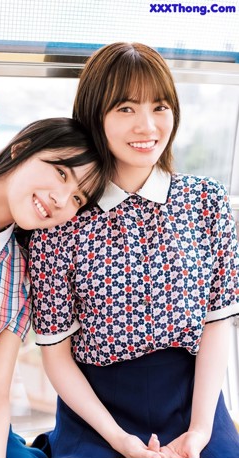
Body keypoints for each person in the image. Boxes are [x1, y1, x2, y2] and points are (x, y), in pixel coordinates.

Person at [29, 43, 239, 458]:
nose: (147, 125)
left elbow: (216, 324)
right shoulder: (55, 222)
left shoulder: (206, 203)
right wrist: (118, 439)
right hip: (95, 404)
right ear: (94, 115)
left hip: (191, 394)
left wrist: (199, 430)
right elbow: (51, 354)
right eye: (126, 108)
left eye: (160, 106)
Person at [0, 117, 110, 458]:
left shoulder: (20, 272)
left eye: (78, 198)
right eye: (62, 173)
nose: (62, 201)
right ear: (21, 149)